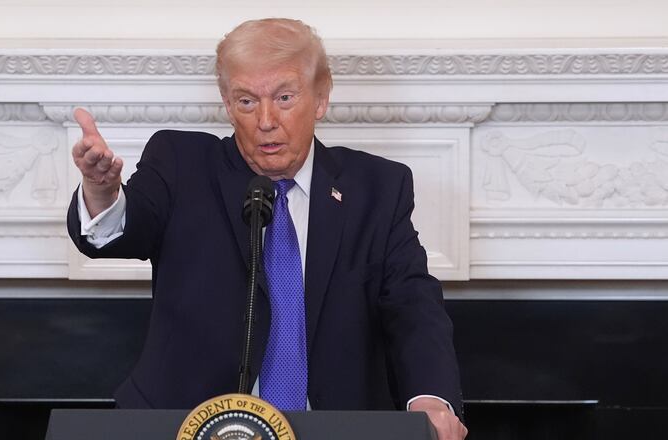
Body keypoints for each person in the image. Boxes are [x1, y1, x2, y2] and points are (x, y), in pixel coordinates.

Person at [67, 18, 468, 440]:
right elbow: (123, 230)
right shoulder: (181, 164)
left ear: (321, 97)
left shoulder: (377, 188)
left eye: (285, 97)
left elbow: (413, 306)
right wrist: (102, 192)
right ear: (226, 102)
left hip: (336, 428)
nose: (266, 120)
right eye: (246, 101)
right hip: (187, 425)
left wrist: (430, 398)